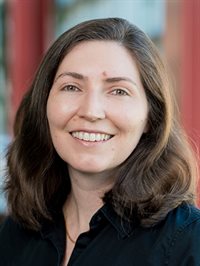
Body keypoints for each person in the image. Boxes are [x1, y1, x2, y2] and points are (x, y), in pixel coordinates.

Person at [0, 17, 200, 266]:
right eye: (71, 87)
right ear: (44, 105)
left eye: (118, 91)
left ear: (151, 117)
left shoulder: (187, 242)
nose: (91, 111)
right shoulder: (16, 234)